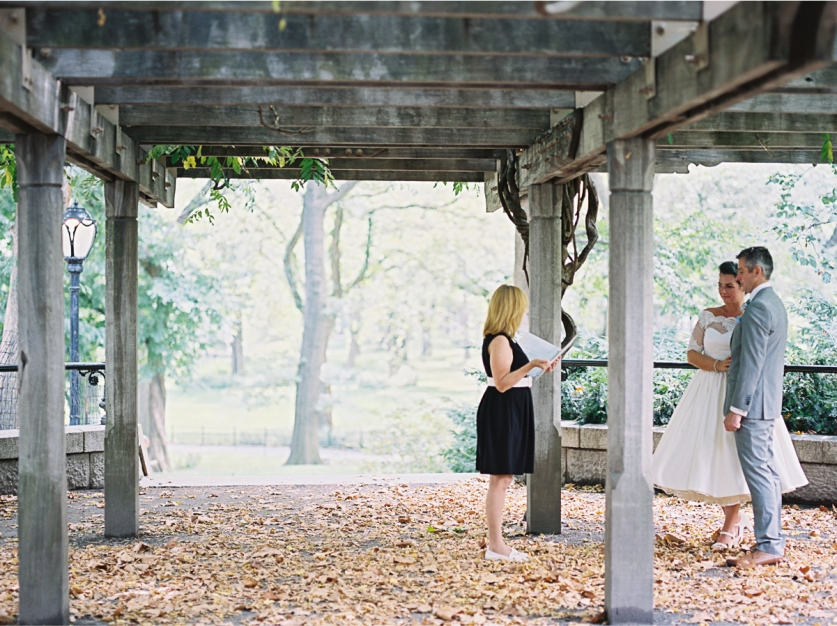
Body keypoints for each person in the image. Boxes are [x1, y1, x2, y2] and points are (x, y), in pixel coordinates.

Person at [652, 260, 806, 553]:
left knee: (737, 458)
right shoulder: (709, 316)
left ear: (742, 284)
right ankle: (734, 521)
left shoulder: (753, 314)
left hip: (740, 392)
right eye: (720, 285)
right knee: (715, 457)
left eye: (730, 285)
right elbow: (691, 353)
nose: (724, 291)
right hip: (708, 389)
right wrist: (715, 364)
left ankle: (736, 524)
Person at [724, 247, 802, 568]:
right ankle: (772, 541)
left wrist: (737, 409)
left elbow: (752, 364)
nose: (737, 275)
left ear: (757, 272)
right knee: (767, 474)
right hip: (767, 405)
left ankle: (768, 545)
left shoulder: (758, 309)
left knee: (759, 475)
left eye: (741, 270)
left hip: (753, 408)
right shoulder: (775, 304)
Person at [476, 285, 558, 562]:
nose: (524, 312)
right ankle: (496, 545)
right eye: (521, 307)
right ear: (511, 308)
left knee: (504, 477)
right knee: (500, 478)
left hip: (514, 408)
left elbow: (516, 379)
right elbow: (502, 383)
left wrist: (538, 367)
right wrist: (529, 365)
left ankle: (496, 544)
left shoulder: (508, 340)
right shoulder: (499, 340)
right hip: (503, 409)